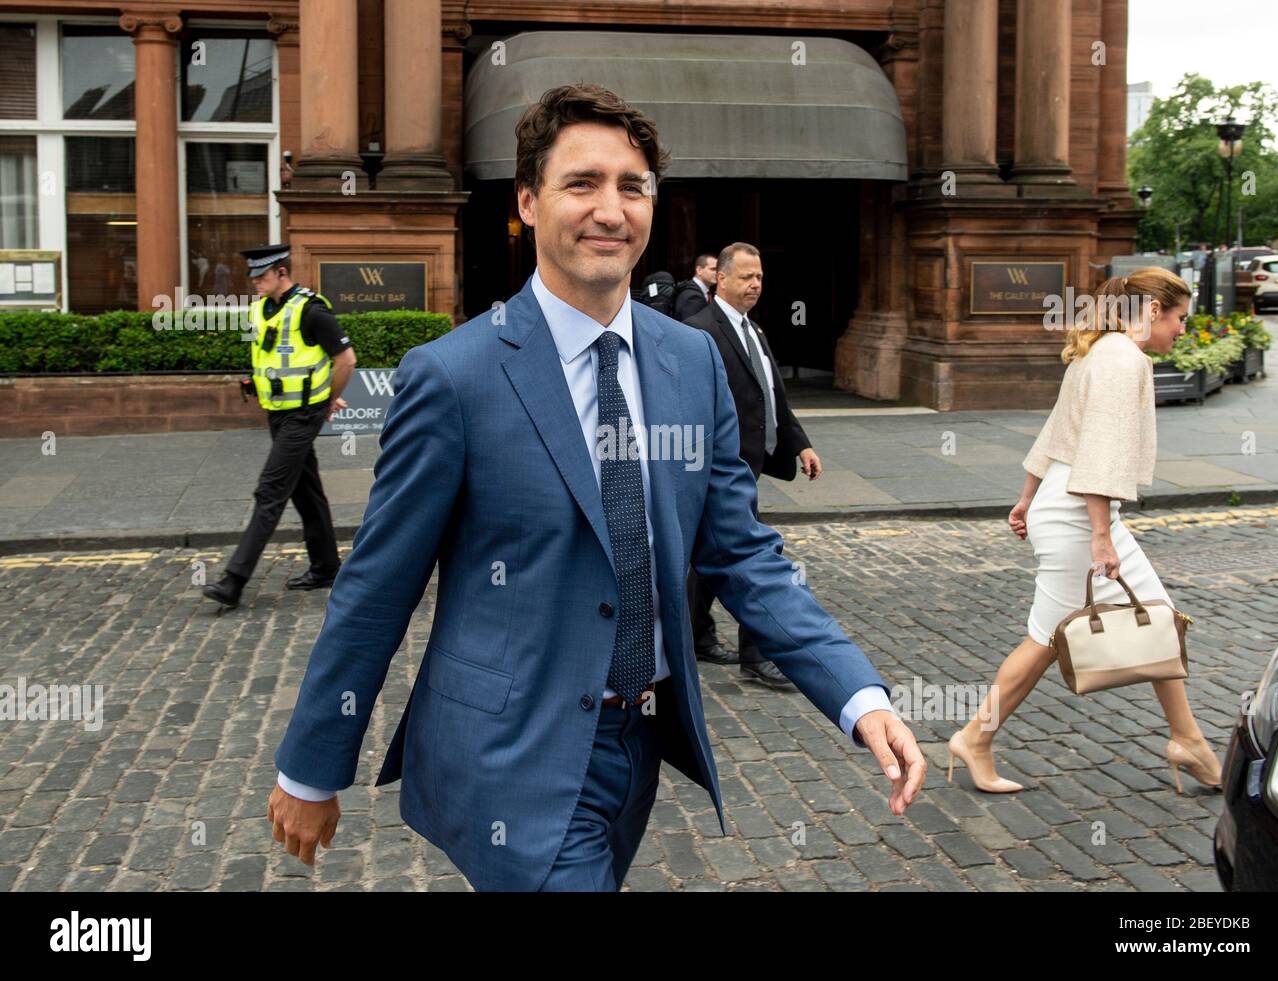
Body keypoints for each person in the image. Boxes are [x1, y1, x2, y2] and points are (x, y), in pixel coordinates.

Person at [267, 84, 924, 891]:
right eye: (581, 183)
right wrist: (310, 768)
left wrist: (860, 694)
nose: (609, 209)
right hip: (510, 757)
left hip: (637, 748)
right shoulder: (454, 377)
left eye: (632, 186)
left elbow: (741, 551)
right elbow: (377, 584)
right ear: (528, 200)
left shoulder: (692, 363)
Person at [949, 267, 1222, 795]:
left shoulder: (1103, 351)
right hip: (1080, 513)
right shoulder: (1122, 359)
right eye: (1180, 317)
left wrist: (1028, 497)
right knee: (1048, 639)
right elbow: (1097, 451)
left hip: (1073, 504)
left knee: (1156, 620)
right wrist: (1100, 537)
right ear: (1152, 312)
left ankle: (1188, 739)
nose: (1183, 329)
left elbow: (1056, 428)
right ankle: (974, 738)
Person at [683, 242, 823, 689]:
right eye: (746, 277)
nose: (755, 284)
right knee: (755, 560)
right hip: (718, 470)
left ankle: (695, 637)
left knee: (707, 558)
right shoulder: (697, 330)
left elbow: (771, 396)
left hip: (751, 465)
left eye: (759, 277)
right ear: (720, 278)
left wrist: (800, 444)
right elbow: (686, 403)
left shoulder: (755, 331)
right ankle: (758, 657)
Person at [202, 246, 357, 608]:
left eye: (261, 276)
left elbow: (345, 360)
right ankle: (326, 567)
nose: (255, 282)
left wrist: (325, 402)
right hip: (278, 413)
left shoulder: (311, 310)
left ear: (282, 273)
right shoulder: (261, 309)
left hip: (303, 416)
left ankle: (233, 581)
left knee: (269, 492)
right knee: (306, 492)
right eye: (253, 277)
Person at [672, 253, 716, 321]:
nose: (717, 273)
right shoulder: (693, 297)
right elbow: (691, 326)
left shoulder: (703, 293)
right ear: (699, 270)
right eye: (713, 269)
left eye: (717, 270)